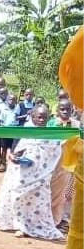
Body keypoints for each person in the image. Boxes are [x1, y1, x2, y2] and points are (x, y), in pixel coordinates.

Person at [0, 105, 64, 241]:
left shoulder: (52, 135)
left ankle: (37, 226)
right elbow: (16, 151)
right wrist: (16, 157)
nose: (42, 119)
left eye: (45, 117)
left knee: (39, 203)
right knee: (19, 198)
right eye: (39, 117)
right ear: (33, 118)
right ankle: (21, 226)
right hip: (24, 175)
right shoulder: (26, 132)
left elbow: (55, 154)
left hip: (42, 177)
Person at [47, 98, 79, 230]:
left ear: (72, 110)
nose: (65, 112)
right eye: (62, 109)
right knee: (51, 192)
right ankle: (50, 219)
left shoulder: (76, 125)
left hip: (69, 166)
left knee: (66, 195)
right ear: (57, 110)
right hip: (53, 166)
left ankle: (60, 220)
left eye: (68, 109)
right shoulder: (51, 125)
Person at [0, 94, 19, 173]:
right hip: (5, 131)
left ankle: (12, 165)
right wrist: (4, 130)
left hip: (14, 131)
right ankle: (3, 164)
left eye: (13, 99)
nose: (11, 101)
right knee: (4, 148)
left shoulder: (18, 109)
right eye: (10, 99)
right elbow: (1, 121)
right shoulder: (4, 109)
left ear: (16, 101)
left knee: (14, 149)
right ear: (7, 100)